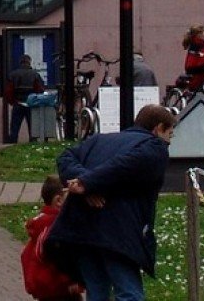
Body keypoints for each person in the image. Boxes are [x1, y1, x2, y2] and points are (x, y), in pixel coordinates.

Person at [44, 103, 177, 301]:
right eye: (170, 134)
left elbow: (66, 157)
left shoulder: (99, 140)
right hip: (118, 232)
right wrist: (87, 183)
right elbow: (126, 165)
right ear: (158, 128)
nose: (169, 141)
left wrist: (87, 182)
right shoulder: (154, 147)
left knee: (97, 291)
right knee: (129, 292)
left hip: (83, 229)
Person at [22, 174, 85, 301]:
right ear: (59, 200)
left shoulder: (41, 222)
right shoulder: (55, 226)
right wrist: (71, 280)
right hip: (60, 288)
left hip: (48, 289)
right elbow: (57, 256)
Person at [8, 53, 46, 143]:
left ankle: (12, 145)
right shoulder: (35, 74)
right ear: (29, 62)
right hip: (31, 104)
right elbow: (40, 90)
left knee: (14, 129)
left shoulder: (13, 75)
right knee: (33, 129)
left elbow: (8, 91)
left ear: (20, 62)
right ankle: (32, 145)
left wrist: (12, 102)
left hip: (18, 103)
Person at [180, 25, 204, 92]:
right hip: (196, 72)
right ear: (197, 34)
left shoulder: (198, 44)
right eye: (201, 33)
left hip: (197, 70)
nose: (203, 35)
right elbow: (201, 57)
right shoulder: (197, 45)